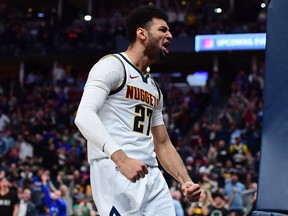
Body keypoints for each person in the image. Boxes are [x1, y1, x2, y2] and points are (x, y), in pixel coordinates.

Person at [75, 5, 201, 215]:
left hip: (151, 173)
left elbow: (162, 143)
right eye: (162, 30)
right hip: (115, 165)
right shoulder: (112, 65)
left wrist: (185, 180)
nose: (169, 35)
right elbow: (84, 115)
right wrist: (121, 159)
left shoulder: (153, 88)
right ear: (141, 33)